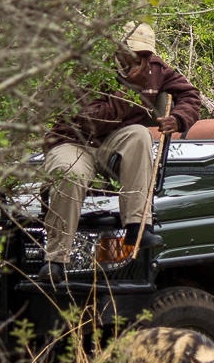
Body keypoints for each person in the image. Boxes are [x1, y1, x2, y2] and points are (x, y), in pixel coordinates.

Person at [39, 21, 202, 281]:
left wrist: (180, 118)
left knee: (139, 135)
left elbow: (191, 95)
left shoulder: (156, 69)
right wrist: (128, 89)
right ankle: (56, 259)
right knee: (70, 174)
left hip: (112, 143)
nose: (140, 59)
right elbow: (88, 120)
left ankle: (138, 226)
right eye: (134, 52)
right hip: (74, 140)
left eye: (145, 54)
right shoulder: (86, 68)